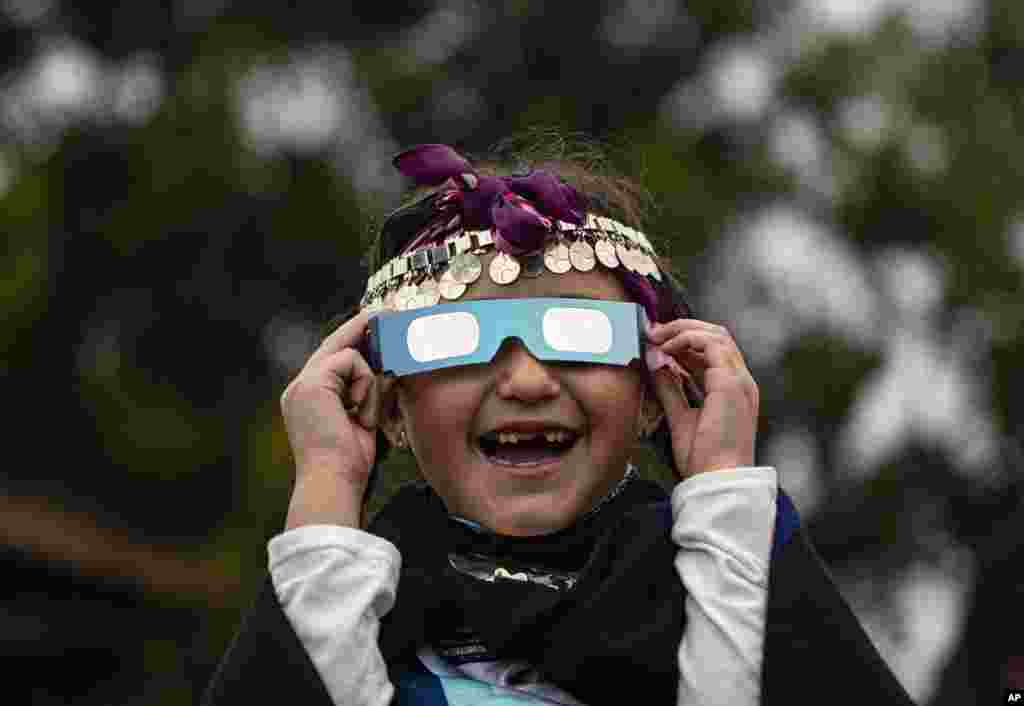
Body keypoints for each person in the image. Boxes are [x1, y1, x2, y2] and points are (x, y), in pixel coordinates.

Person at [203, 140, 916, 705]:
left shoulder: (734, 584)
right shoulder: (354, 618)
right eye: (455, 342)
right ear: (392, 408)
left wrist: (726, 490)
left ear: (651, 388)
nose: (525, 380)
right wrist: (327, 488)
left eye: (578, 334)